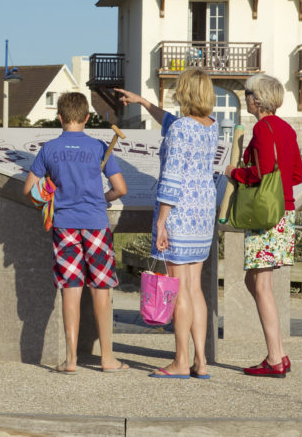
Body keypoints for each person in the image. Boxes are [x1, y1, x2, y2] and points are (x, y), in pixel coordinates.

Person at [116, 69, 218, 380]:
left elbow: (172, 177)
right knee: (194, 287)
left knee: (178, 287)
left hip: (180, 212)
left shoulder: (180, 129)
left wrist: (161, 221)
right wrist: (144, 102)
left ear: (184, 93)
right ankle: (200, 361)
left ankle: (180, 361)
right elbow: (171, 121)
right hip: (203, 212)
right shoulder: (211, 127)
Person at [22, 91, 128, 373]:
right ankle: (107, 359)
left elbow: (29, 191)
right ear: (86, 118)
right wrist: (100, 198)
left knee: (71, 289)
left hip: (64, 225)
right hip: (96, 223)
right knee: (101, 289)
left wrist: (51, 194)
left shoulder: (49, 150)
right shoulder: (99, 148)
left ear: (59, 118)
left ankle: (70, 360)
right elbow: (121, 189)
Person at [225, 73, 302, 378]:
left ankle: (275, 357)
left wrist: (236, 172)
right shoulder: (286, 128)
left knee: (260, 285)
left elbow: (261, 170)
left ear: (257, 99)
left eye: (247, 94)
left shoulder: (263, 127)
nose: (245, 98)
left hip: (264, 214)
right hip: (283, 211)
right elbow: (295, 174)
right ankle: (278, 353)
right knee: (258, 283)